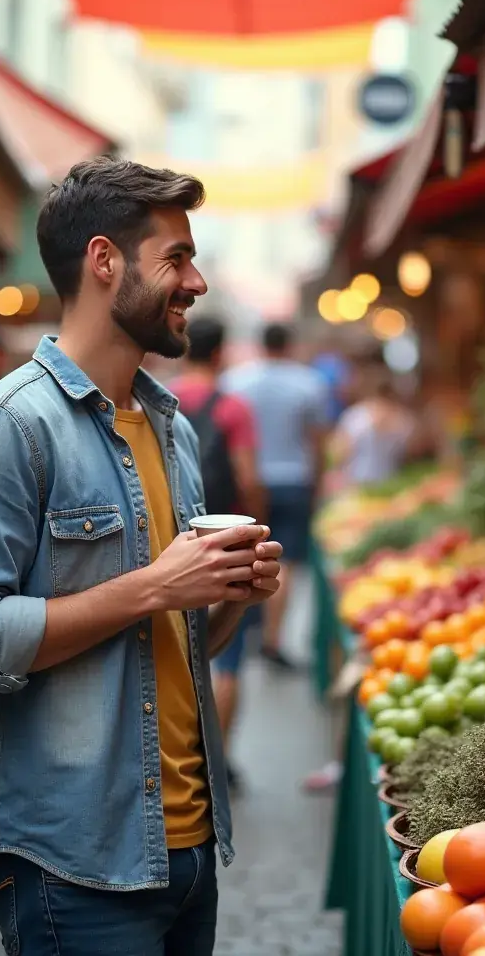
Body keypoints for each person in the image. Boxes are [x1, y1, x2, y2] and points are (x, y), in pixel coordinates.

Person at [0, 158, 284, 956]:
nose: (196, 283)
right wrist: (154, 586)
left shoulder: (171, 430)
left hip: (188, 850)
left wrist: (228, 594)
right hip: (73, 867)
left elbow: (173, 645)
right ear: (104, 261)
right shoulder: (6, 428)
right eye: (177, 259)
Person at [168, 315, 264, 792]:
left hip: (173, 539)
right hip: (225, 536)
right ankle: (216, 760)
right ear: (220, 352)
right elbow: (247, 475)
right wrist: (255, 521)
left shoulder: (162, 400)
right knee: (226, 659)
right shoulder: (231, 407)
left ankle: (181, 756)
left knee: (174, 644)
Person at [221, 322, 329, 670]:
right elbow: (317, 440)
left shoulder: (236, 380)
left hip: (247, 481)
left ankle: (238, 626)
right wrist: (318, 482)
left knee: (245, 557)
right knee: (286, 563)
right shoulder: (309, 382)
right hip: (294, 481)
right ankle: (272, 639)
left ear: (261, 344)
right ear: (289, 344)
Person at [330, 358, 418, 487]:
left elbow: (339, 452)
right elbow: (412, 452)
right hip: (392, 482)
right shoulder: (402, 417)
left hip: (357, 482)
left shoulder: (356, 416)